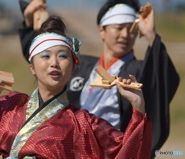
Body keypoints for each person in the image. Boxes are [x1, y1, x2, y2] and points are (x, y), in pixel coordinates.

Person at [0, 15, 152, 158]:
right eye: (45, 56)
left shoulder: (85, 124)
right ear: (32, 67)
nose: (54, 62)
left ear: (73, 68)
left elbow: (129, 150)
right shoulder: (8, 107)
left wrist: (138, 107)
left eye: (63, 56)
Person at [18, 0, 180, 156]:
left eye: (131, 29)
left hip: (113, 151)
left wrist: (151, 35)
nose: (125, 35)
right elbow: (42, 61)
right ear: (101, 29)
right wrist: (28, 22)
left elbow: (164, 78)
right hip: (72, 150)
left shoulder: (138, 71)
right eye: (118, 28)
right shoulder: (82, 65)